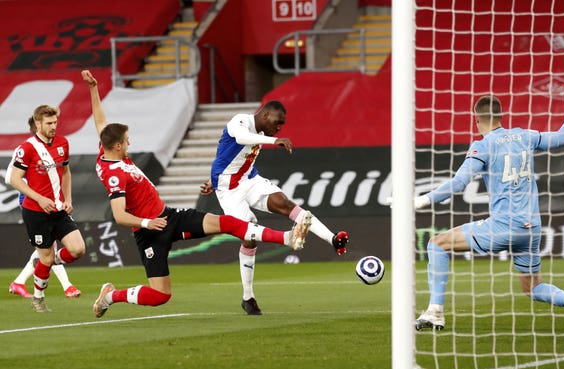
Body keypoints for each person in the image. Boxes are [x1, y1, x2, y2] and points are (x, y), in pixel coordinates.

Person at [81, 70, 312, 318]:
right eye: (126, 141)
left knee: (228, 223)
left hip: (169, 216)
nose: (129, 143)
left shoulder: (108, 148)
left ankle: (287, 238)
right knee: (160, 296)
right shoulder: (113, 174)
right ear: (116, 146)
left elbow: (101, 124)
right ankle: (110, 295)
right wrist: (149, 222)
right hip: (150, 233)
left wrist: (94, 89)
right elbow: (119, 215)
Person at [413, 83, 564, 331]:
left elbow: (459, 182)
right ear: (501, 116)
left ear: (477, 119)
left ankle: (434, 313)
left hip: (503, 226)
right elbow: (563, 137)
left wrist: (422, 200)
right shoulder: (524, 136)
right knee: (533, 287)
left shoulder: (482, 145)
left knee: (436, 244)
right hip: (531, 228)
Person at [199, 100, 349, 315]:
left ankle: (332, 239)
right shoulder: (240, 121)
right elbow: (241, 138)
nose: (280, 128)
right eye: (278, 123)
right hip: (229, 190)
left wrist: (214, 180)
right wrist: (274, 139)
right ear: (266, 115)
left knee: (285, 203)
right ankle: (248, 296)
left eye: (281, 126)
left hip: (249, 179)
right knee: (248, 235)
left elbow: (231, 158)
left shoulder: (260, 132)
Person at [8, 107, 87, 312]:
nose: (53, 126)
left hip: (58, 209)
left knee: (78, 249)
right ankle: (38, 297)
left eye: (55, 122)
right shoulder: (27, 148)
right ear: (38, 124)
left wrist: (68, 198)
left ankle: (45, 263)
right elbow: (14, 179)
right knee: (46, 257)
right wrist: (39, 198)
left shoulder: (63, 143)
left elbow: (66, 172)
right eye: (49, 123)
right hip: (35, 211)